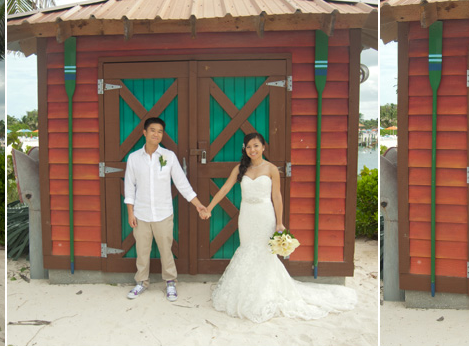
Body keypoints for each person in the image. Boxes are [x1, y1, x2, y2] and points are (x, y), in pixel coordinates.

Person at [202, 132, 356, 323]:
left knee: (266, 253)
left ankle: (264, 292)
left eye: (256, 146)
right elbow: (224, 189)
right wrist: (209, 207)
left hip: (265, 214)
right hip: (247, 216)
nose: (252, 150)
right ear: (245, 149)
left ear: (263, 147)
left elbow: (277, 197)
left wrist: (280, 222)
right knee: (248, 250)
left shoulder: (272, 169)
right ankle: (247, 290)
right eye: (249, 146)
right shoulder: (240, 168)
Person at [124, 118, 208, 301]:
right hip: (141, 214)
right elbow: (129, 187)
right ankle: (141, 282)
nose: (156, 134)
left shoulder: (168, 156)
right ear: (144, 133)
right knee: (142, 251)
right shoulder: (133, 158)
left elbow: (181, 183)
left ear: (162, 135)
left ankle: (170, 282)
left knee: (166, 249)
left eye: (160, 131)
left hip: (163, 213)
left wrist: (198, 204)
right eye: (152, 130)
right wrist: (130, 213)